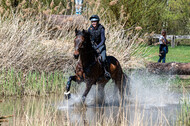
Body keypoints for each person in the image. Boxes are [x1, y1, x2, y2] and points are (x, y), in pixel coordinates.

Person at [88, 15, 111, 79]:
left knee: (103, 58)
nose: (93, 23)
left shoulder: (101, 28)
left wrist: (97, 47)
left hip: (101, 45)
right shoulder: (90, 29)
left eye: (95, 22)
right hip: (93, 46)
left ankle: (106, 72)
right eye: (92, 22)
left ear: (97, 22)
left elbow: (103, 40)